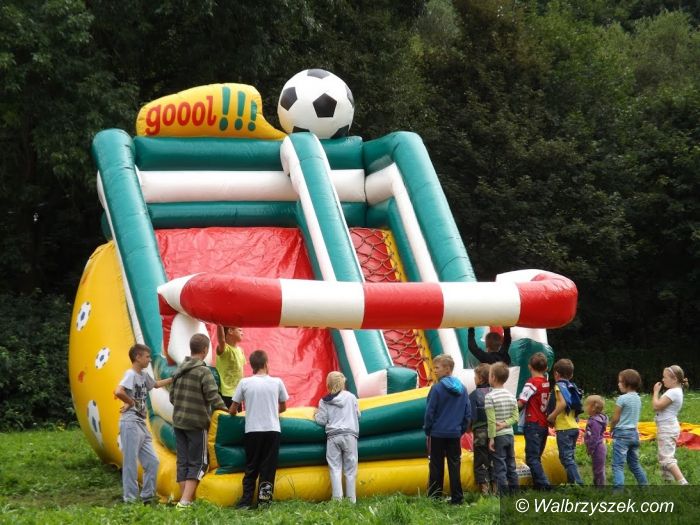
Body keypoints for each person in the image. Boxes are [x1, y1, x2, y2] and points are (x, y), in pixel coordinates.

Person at [170, 333, 227, 509]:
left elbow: (172, 397)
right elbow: (213, 396)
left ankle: (184, 499)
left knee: (183, 461)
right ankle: (185, 501)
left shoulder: (178, 370)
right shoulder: (204, 372)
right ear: (205, 350)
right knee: (199, 462)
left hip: (178, 422)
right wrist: (226, 410)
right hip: (196, 424)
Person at [230, 349, 289, 509]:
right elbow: (283, 407)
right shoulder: (277, 382)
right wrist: (271, 411)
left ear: (251, 366)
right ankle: (264, 502)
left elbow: (233, 409)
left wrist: (233, 412)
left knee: (251, 467)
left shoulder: (244, 383)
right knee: (268, 468)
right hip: (272, 429)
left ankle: (246, 502)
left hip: (252, 430)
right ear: (266, 363)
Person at [114, 343, 173, 504]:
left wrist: (174, 378)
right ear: (137, 357)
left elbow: (156, 385)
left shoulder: (143, 375)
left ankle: (147, 496)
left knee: (152, 461)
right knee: (130, 462)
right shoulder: (131, 374)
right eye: (147, 357)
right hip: (130, 422)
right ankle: (130, 499)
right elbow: (118, 391)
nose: (149, 360)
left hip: (141, 422)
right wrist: (130, 402)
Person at [424, 354, 471, 505]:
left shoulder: (436, 389)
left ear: (447, 369)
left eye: (437, 367)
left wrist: (428, 429)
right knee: (455, 465)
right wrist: (460, 430)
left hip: (437, 433)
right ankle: (457, 498)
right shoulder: (463, 389)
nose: (434, 370)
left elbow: (430, 412)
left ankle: (435, 497)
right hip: (454, 434)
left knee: (436, 465)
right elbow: (467, 413)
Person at [314, 371, 361, 503]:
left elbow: (321, 420)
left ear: (328, 385)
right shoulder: (351, 397)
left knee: (335, 468)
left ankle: (337, 500)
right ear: (343, 383)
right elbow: (358, 415)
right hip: (350, 435)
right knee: (350, 470)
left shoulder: (324, 401)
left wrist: (315, 414)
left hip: (333, 436)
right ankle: (351, 500)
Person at [546, 358, 583, 485]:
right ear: (571, 375)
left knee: (566, 458)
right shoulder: (571, 386)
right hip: (574, 427)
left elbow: (563, 403)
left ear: (556, 374)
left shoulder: (559, 386)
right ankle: (572, 482)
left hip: (564, 429)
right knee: (570, 457)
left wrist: (551, 416)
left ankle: (578, 484)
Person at [517, 352, 551, 490]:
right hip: (543, 423)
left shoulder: (532, 383)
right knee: (537, 456)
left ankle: (544, 485)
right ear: (546, 368)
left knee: (532, 458)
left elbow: (521, 402)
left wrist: (508, 411)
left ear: (529, 366)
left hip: (533, 423)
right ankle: (538, 485)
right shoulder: (546, 382)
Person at [610, 369, 648, 488]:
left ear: (628, 383)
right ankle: (644, 486)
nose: (618, 384)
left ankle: (618, 491)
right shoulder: (638, 398)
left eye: (620, 382)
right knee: (634, 464)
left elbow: (615, 418)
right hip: (634, 434)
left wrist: (611, 428)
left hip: (622, 435)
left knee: (618, 465)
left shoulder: (622, 399)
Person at [485, 362, 519, 496]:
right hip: (510, 435)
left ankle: (503, 495)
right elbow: (515, 417)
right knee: (511, 465)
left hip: (498, 437)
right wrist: (505, 424)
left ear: (493, 377)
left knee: (500, 466)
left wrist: (491, 438)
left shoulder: (490, 397)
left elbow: (491, 421)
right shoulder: (511, 395)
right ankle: (515, 493)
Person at [652, 365, 689, 485]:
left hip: (667, 428)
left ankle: (683, 483)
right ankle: (668, 483)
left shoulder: (673, 392)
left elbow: (656, 406)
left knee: (667, 459)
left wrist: (655, 392)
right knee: (663, 457)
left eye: (665, 377)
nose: (663, 379)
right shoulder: (675, 391)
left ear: (674, 379)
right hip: (667, 427)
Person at [469, 363, 494, 495]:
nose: (474, 379)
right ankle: (495, 489)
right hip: (496, 430)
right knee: (494, 457)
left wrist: (468, 427)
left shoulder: (474, 395)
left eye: (475, 376)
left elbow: (471, 416)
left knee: (480, 458)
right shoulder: (496, 393)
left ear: (480, 379)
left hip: (480, 431)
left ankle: (484, 489)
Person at [216, 325, 246, 408]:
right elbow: (221, 340)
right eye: (239, 330)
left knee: (238, 415)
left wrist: (243, 391)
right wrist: (219, 324)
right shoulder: (225, 349)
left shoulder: (240, 350)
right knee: (227, 415)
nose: (242, 333)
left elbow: (241, 372)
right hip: (226, 394)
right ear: (230, 331)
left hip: (237, 394)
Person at [583, 395, 608, 487]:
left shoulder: (595, 422)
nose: (585, 407)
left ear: (593, 408)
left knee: (598, 469)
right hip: (597, 447)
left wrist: (590, 448)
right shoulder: (595, 419)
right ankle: (597, 484)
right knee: (596, 467)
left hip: (598, 448)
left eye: (586, 405)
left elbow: (595, 437)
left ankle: (600, 487)